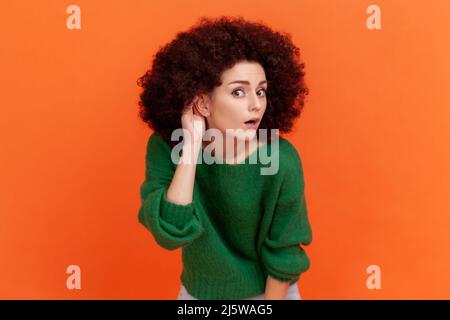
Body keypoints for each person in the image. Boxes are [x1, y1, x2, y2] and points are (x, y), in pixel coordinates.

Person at [136, 16, 312, 300]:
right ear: (203, 102)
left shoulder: (281, 160)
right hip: (198, 295)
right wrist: (191, 146)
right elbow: (170, 233)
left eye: (261, 91)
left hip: (270, 293)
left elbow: (285, 253)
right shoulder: (165, 148)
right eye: (238, 91)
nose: (256, 104)